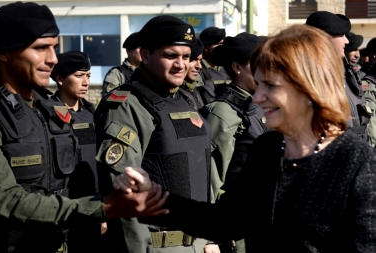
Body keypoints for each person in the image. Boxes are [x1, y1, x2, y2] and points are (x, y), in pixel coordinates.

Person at [117, 24, 376, 252]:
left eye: (271, 86)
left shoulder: (356, 160)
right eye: (259, 84)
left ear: (308, 88)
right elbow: (225, 220)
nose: (258, 97)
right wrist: (154, 196)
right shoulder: (268, 149)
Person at [0, 2, 168, 253]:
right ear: (2, 52)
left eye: (54, 48)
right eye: (40, 48)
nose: (53, 59)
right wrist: (103, 207)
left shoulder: (47, 110)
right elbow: (6, 200)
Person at [94, 15, 219, 253]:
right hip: (156, 246)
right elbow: (125, 198)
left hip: (200, 243)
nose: (181, 64)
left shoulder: (185, 98)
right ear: (145, 55)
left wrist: (211, 235)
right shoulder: (127, 105)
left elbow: (200, 169)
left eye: (185, 57)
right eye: (170, 55)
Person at [202, 32, 268, 253]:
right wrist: (212, 235)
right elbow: (211, 178)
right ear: (237, 67)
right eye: (256, 65)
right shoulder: (223, 112)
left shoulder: (257, 103)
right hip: (237, 224)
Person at [50, 51, 107, 251]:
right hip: (64, 210)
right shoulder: (48, 116)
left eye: (88, 76)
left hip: (95, 208)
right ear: (59, 78)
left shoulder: (93, 114)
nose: (85, 82)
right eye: (78, 75)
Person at [306, 11, 371, 140]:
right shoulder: (310, 76)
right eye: (341, 35)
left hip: (356, 149)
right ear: (323, 39)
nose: (346, 41)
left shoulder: (346, 73)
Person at [180, 38, 215, 110]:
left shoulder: (198, 90)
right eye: (194, 60)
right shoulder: (173, 95)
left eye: (200, 60)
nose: (199, 66)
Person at [102, 32, 141, 96]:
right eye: (139, 48)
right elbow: (111, 100)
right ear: (129, 51)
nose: (143, 52)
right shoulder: (117, 74)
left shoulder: (150, 72)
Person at [199, 27, 231, 96]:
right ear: (205, 48)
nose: (222, 47)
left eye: (223, 44)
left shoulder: (228, 68)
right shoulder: (198, 69)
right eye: (219, 44)